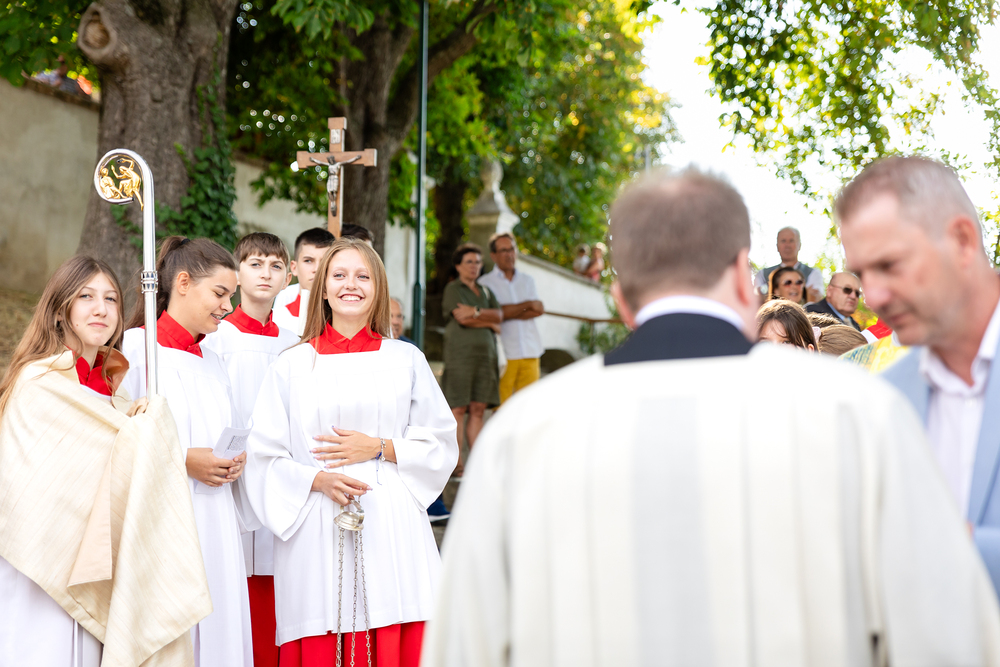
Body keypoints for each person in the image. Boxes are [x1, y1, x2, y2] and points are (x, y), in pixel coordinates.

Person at [423, 167, 1000, 667]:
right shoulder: (858, 412)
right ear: (746, 278)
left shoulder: (522, 435)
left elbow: (464, 647)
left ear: (621, 300)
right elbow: (945, 638)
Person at [243, 237, 458, 667]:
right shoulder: (291, 364)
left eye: (363, 276)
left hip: (392, 521)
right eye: (339, 275)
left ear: (378, 288)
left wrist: (379, 446)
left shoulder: (406, 359)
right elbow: (263, 454)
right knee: (326, 631)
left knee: (395, 625)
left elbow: (440, 440)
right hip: (316, 519)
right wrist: (316, 479)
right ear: (322, 288)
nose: (351, 285)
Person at [0, 256, 211, 666]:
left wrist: (149, 429)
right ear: (59, 311)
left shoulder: (118, 394)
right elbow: (36, 485)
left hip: (103, 563)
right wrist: (142, 434)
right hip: (44, 560)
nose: (101, 309)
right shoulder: (38, 384)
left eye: (111, 299)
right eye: (86, 297)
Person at [838, 155, 1000, 595]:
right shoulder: (882, 400)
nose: (874, 297)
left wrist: (952, 546)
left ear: (962, 241)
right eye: (862, 274)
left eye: (889, 265)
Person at [121, 237, 255, 667]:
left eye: (230, 296)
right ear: (183, 283)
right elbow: (118, 432)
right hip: (164, 513)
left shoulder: (212, 361)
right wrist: (181, 460)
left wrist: (235, 458)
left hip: (216, 517)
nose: (228, 306)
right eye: (220, 293)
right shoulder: (136, 349)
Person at [201, 232, 299, 667]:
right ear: (237, 274)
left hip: (279, 474)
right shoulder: (216, 338)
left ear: (288, 277)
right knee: (232, 573)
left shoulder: (294, 343)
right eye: (255, 264)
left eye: (275, 266)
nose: (265, 273)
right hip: (229, 472)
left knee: (277, 579)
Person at [441, 243, 502, 476]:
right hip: (460, 356)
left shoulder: (486, 291)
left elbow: (500, 317)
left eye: (477, 262)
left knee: (478, 409)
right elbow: (462, 319)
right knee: (458, 407)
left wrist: (475, 313)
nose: (474, 266)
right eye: (469, 262)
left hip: (486, 357)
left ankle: (477, 466)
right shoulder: (453, 289)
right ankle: (456, 465)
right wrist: (488, 322)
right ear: (458, 266)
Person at [478, 232, 545, 404]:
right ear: (493, 255)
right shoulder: (485, 283)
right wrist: (527, 304)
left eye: (512, 249)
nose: (510, 254)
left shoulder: (527, 280)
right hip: (504, 354)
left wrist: (506, 311)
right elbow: (495, 315)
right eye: (504, 250)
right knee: (501, 409)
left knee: (529, 407)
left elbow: (538, 310)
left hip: (531, 351)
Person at [273, 227, 335, 336]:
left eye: (325, 261)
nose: (317, 269)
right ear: (294, 267)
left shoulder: (343, 320)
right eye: (308, 261)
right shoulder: (275, 319)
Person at [754, 226, 824, 302]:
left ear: (799, 245)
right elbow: (756, 300)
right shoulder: (762, 274)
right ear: (777, 246)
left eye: (791, 241)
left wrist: (767, 293)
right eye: (783, 241)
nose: (787, 245)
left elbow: (815, 299)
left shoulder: (813, 273)